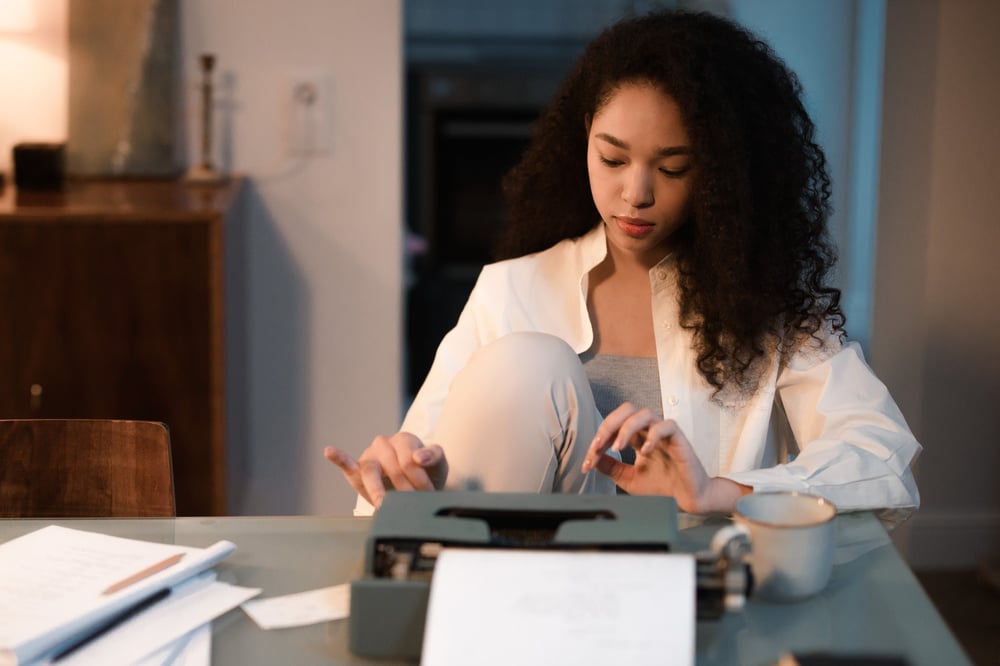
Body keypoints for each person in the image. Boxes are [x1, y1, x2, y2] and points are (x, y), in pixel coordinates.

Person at [324, 9, 921, 525]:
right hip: (528, 579)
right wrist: (401, 473)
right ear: (583, 137)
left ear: (720, 175)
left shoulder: (767, 302)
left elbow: (880, 452)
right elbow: (421, 463)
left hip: (693, 590)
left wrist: (724, 492)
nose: (635, 193)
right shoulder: (512, 288)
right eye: (612, 157)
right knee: (532, 360)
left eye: (673, 167)